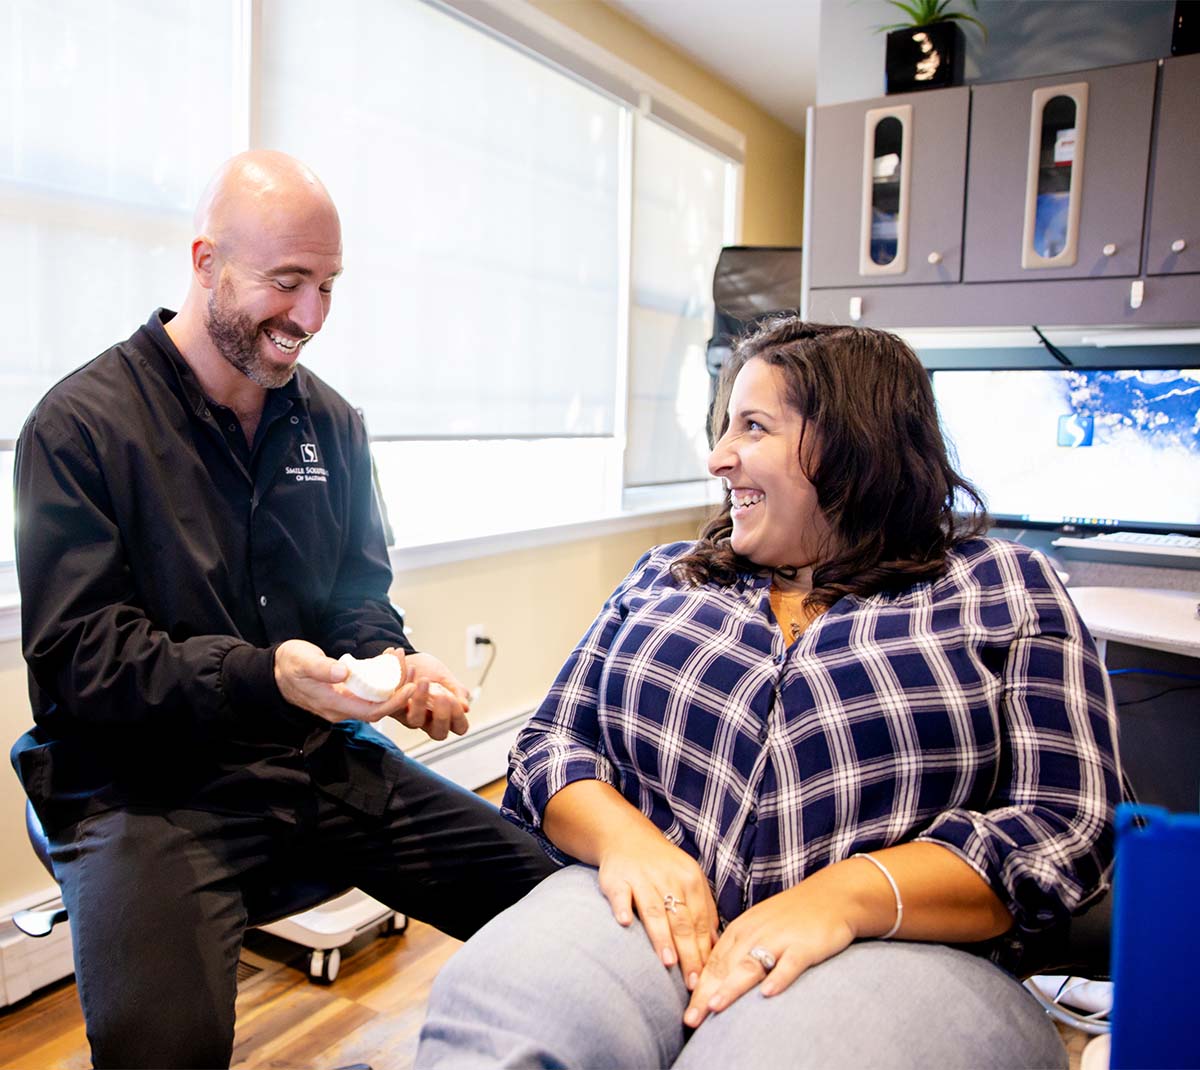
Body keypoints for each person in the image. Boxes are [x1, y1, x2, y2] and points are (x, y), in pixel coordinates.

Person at [416, 319, 1121, 1069]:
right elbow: (552, 742)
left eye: (754, 427)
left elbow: (1066, 823)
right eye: (725, 428)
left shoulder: (1001, 586)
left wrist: (847, 896)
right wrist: (631, 844)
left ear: (857, 443)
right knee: (501, 1034)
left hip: (897, 950)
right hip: (637, 917)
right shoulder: (667, 573)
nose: (720, 458)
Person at [10, 150, 556, 1069]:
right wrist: (267, 676)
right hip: (142, 791)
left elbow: (356, 594)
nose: (308, 317)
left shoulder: (332, 425)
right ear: (205, 261)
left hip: (309, 761)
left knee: (553, 906)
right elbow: (83, 663)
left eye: (329, 286)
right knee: (163, 1051)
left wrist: (393, 662)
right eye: (287, 282)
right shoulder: (78, 428)